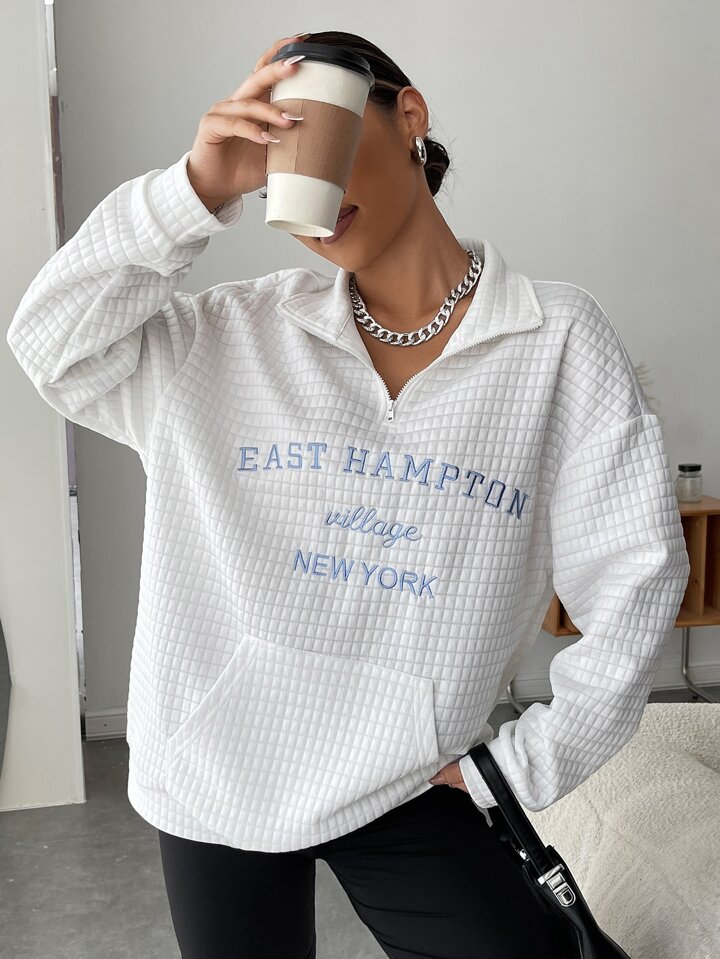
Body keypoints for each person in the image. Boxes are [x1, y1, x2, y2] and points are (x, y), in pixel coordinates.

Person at [6, 28, 690, 959]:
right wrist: (195, 189)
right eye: (275, 160)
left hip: (410, 773)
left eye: (318, 132)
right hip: (219, 768)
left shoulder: (554, 338)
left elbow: (637, 575)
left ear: (408, 116)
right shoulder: (231, 337)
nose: (308, 187)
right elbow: (49, 345)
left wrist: (527, 761)